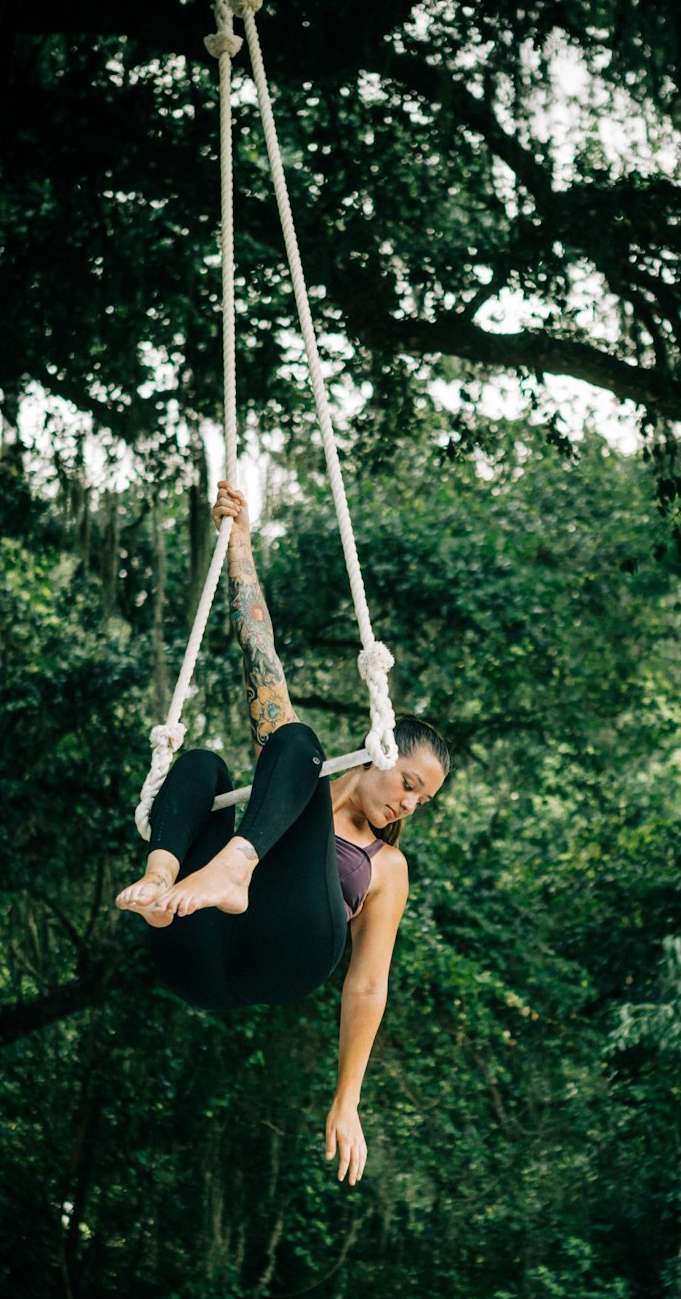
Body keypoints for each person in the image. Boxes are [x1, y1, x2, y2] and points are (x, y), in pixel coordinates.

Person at [116, 480, 449, 1187]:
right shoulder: (306, 786)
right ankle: (162, 876)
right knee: (212, 762)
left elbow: (367, 985)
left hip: (289, 951)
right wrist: (237, 543)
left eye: (424, 801)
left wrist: (348, 1099)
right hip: (194, 957)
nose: (410, 806)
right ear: (379, 750)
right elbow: (257, 651)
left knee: (294, 746)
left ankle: (235, 868)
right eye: (409, 783)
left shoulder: (387, 869)